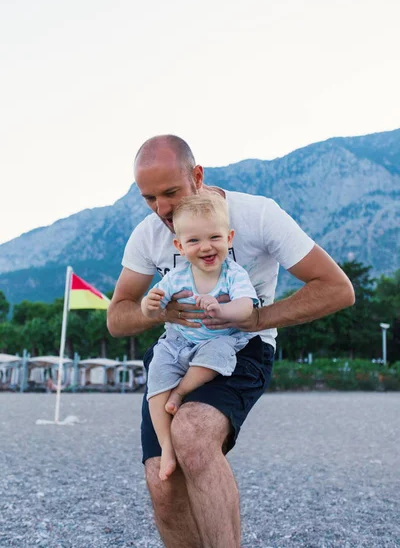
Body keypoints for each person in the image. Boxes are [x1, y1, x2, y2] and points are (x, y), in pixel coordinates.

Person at [107, 134, 355, 548]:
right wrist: (157, 311)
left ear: (198, 176)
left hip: (240, 348)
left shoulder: (258, 215)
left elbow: (336, 288)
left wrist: (254, 317)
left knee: (193, 433)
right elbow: (117, 317)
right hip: (176, 349)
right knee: (163, 483)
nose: (162, 209)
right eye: (150, 198)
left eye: (171, 192)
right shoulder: (149, 235)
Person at [141, 193, 258, 482]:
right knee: (155, 379)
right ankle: (167, 446)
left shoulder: (233, 273)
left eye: (214, 237)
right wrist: (149, 303)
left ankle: (180, 391)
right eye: (194, 241)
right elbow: (150, 307)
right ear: (180, 246)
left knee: (218, 354)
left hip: (217, 339)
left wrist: (223, 308)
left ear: (229, 238)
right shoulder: (177, 276)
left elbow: (247, 306)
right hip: (178, 342)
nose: (206, 247)